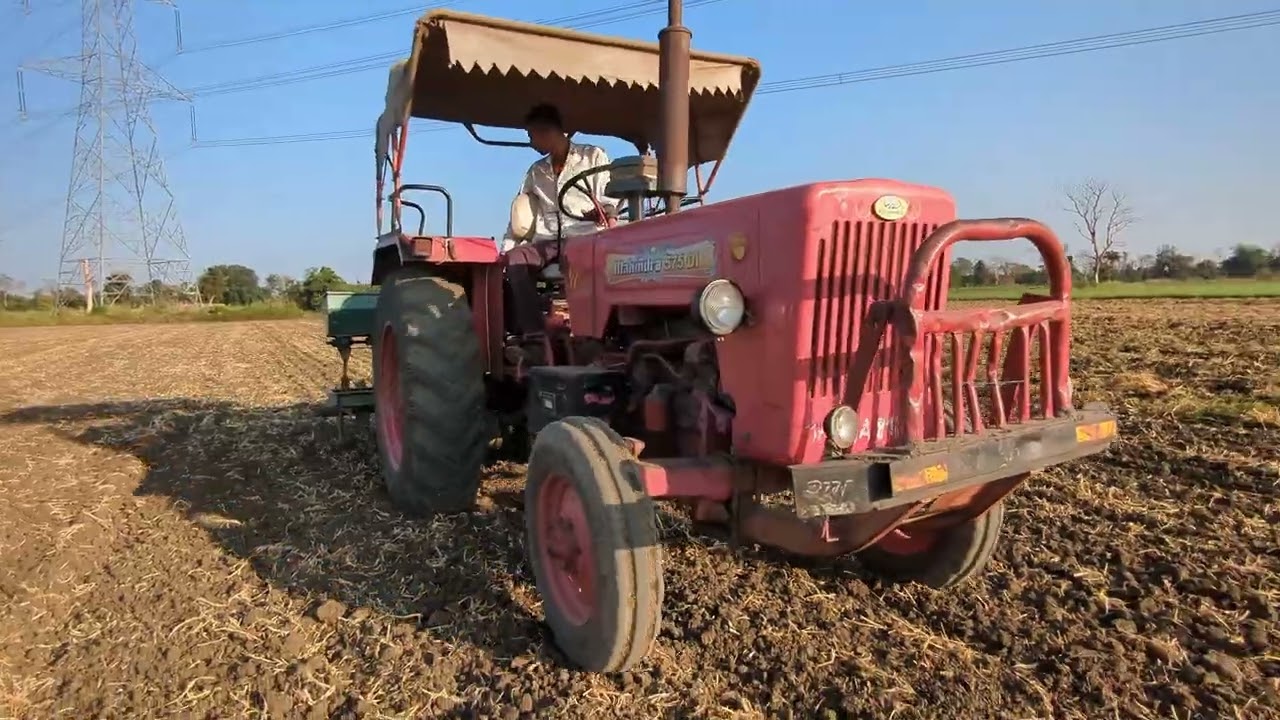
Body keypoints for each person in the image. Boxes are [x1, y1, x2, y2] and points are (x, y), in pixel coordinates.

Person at [503, 103, 617, 335]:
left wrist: (606, 213)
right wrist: (506, 249)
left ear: (546, 131)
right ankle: (534, 333)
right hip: (547, 240)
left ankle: (590, 329)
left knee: (575, 259)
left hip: (584, 236)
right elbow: (519, 209)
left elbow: (608, 196)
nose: (531, 143)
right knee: (515, 260)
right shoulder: (536, 171)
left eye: (531, 136)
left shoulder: (592, 156)